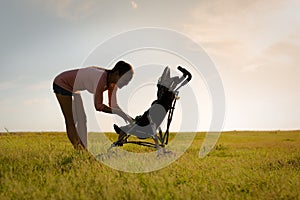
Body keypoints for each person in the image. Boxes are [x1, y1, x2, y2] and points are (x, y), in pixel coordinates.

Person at [53, 60, 134, 150]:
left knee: (82, 119)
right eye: (125, 80)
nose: (126, 84)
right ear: (116, 74)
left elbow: (113, 105)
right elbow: (98, 106)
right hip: (62, 83)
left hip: (75, 87)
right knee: (71, 120)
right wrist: (119, 113)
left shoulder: (112, 82)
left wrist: (126, 116)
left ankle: (84, 149)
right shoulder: (101, 79)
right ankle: (80, 151)